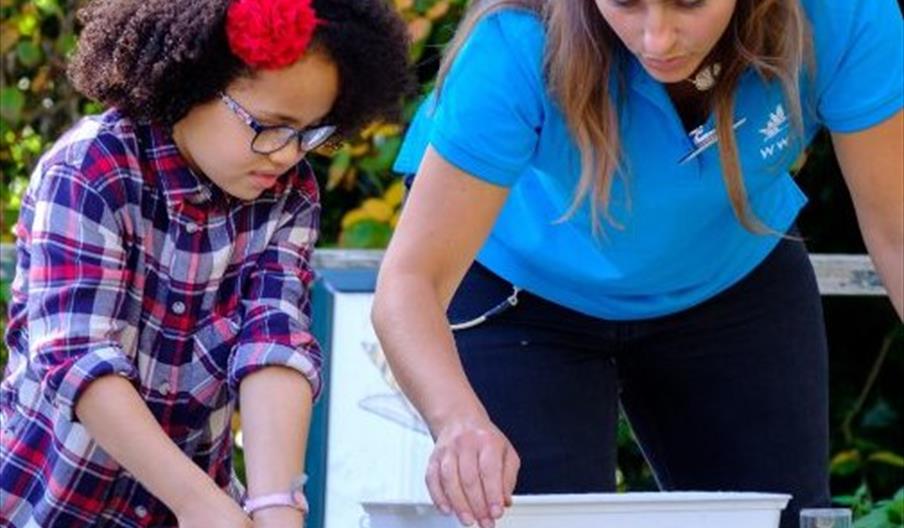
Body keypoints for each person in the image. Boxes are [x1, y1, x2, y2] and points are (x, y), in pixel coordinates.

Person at [371, 1, 903, 527]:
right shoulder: (514, 44)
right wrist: (458, 421)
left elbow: (897, 233)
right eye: (626, 2)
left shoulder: (843, 15)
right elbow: (409, 282)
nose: (657, 39)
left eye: (689, 3)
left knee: (785, 517)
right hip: (518, 290)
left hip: (732, 269)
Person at [0, 0, 411, 526]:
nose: (288, 154)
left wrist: (274, 506)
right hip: (43, 509)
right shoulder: (90, 169)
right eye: (270, 126)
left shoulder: (289, 194)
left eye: (309, 133)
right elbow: (80, 359)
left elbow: (275, 343)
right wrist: (201, 505)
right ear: (191, 78)